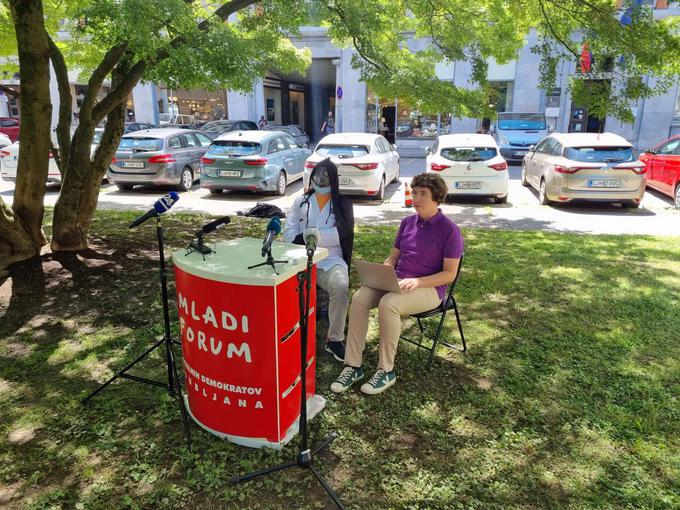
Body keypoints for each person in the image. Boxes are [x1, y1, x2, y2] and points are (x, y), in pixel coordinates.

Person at [331, 173, 463, 395]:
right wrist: (387, 266)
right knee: (360, 298)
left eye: (423, 194)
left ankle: (386, 370)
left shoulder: (449, 231)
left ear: (437, 198)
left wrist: (417, 281)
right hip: (398, 281)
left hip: (429, 289)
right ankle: (353, 365)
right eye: (415, 192)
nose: (417, 198)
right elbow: (394, 255)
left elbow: (449, 274)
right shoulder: (407, 223)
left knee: (389, 303)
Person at [283, 158, 354, 362]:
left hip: (331, 261)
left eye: (325, 177)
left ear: (334, 180)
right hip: (300, 258)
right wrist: (310, 236)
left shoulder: (343, 205)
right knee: (285, 288)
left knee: (340, 286)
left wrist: (314, 235)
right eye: (317, 175)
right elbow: (288, 233)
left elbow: (342, 233)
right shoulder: (301, 201)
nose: (320, 180)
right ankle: (292, 333)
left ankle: (334, 339)